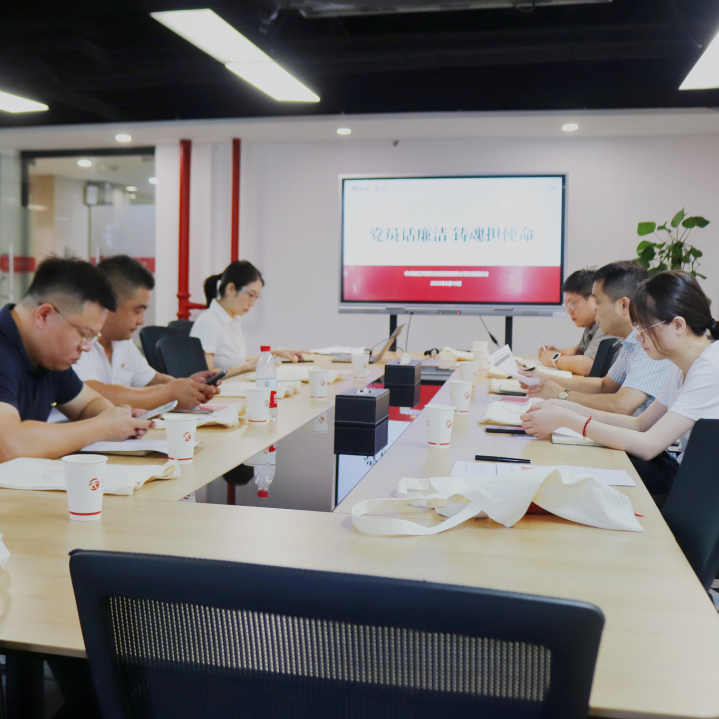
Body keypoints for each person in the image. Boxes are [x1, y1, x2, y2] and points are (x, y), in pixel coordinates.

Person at [521, 271, 719, 506]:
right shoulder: (683, 364)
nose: (638, 338)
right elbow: (640, 424)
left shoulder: (710, 368)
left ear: (678, 325)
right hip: (688, 482)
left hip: (700, 498)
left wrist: (567, 419)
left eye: (644, 328)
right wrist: (567, 408)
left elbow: (648, 445)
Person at [0, 256, 152, 462]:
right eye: (84, 334)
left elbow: (88, 404)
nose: (87, 347)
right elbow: (7, 444)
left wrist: (119, 419)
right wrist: (101, 427)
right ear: (44, 315)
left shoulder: (47, 355)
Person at [523, 261, 672, 416]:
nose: (594, 309)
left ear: (623, 305)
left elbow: (621, 406)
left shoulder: (652, 344)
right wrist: (543, 378)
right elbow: (604, 386)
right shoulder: (631, 341)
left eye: (598, 302)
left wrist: (561, 395)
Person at [74, 255, 219, 410]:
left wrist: (188, 386)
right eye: (137, 311)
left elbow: (152, 380)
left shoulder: (122, 342)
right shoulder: (78, 341)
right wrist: (169, 394)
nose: (142, 320)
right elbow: (92, 394)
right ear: (108, 303)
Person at [192, 260, 306, 378]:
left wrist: (273, 353)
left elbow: (237, 363)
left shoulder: (233, 320)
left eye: (256, 297)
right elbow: (204, 375)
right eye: (251, 294)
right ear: (231, 288)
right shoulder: (208, 323)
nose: (252, 303)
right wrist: (246, 367)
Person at [537, 268, 620, 376]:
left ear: (593, 298)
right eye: (567, 305)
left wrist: (555, 358)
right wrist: (556, 350)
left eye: (572, 304)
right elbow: (580, 351)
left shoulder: (606, 323)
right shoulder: (591, 325)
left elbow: (588, 366)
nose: (569, 311)